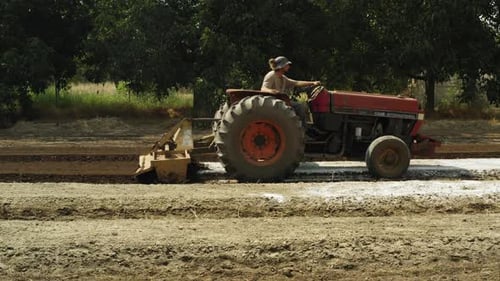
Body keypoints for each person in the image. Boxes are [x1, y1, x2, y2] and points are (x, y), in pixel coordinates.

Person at [261, 56, 320, 128]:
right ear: (282, 66)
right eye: (287, 64)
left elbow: (296, 83)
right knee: (299, 107)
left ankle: (302, 128)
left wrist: (312, 83)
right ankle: (303, 129)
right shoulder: (271, 75)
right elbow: (263, 89)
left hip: (281, 101)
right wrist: (271, 91)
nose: (289, 66)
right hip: (273, 102)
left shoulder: (283, 78)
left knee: (300, 106)